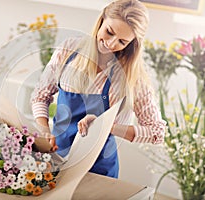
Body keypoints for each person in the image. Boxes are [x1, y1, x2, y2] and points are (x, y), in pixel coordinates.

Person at [30, 0, 166, 178]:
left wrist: (107, 126)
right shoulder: (69, 50)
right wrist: (44, 131)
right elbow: (40, 96)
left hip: (99, 170)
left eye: (122, 41)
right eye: (109, 32)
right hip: (56, 160)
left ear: (132, 44)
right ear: (101, 21)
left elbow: (157, 132)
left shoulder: (133, 77)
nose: (111, 43)